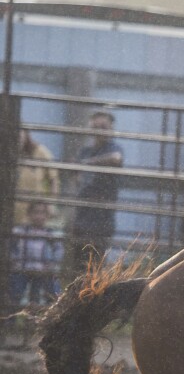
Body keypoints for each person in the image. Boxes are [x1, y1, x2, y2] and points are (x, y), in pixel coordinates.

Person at [67, 111, 123, 273]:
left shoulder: (113, 148)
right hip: (82, 216)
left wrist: (85, 164)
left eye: (103, 127)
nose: (99, 131)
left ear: (111, 128)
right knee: (77, 263)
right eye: (95, 127)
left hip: (101, 218)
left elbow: (116, 158)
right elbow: (75, 176)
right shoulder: (85, 150)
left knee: (95, 264)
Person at [9, 201, 64, 307]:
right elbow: (12, 248)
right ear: (29, 214)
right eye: (36, 212)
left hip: (43, 271)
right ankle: (11, 318)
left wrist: (52, 266)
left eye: (42, 213)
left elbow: (58, 251)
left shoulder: (52, 234)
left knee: (45, 294)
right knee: (15, 294)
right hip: (22, 269)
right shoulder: (20, 231)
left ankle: (40, 318)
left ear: (47, 216)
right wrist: (15, 262)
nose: (39, 216)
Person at [14, 129, 60, 226]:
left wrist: (51, 204)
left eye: (20, 137)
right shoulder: (6, 155)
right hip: (11, 212)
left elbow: (54, 179)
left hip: (35, 213)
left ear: (26, 135)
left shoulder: (39, 152)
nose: (18, 141)